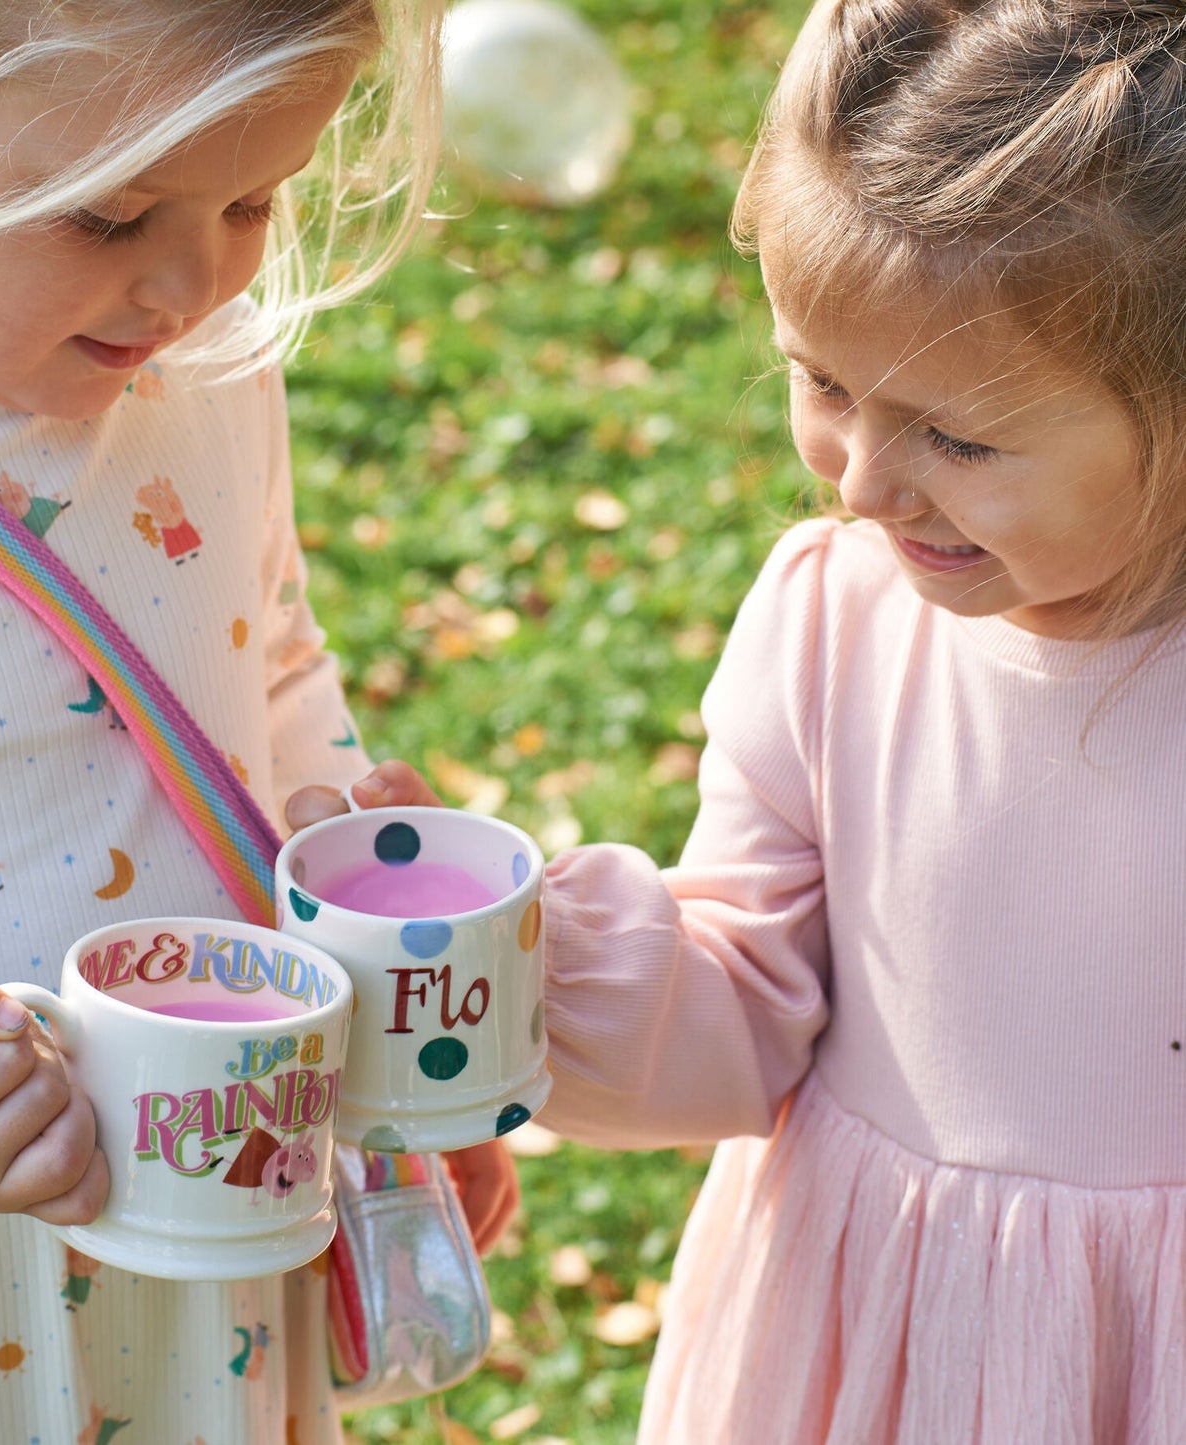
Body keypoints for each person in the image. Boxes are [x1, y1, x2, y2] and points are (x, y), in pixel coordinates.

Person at [288, 0, 1186, 1437]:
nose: (861, 483)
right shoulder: (834, 623)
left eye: (956, 436)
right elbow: (741, 1012)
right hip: (851, 1354)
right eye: (820, 382)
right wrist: (520, 961)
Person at [0, 1, 517, 1440]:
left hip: (218, 1227)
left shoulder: (209, 381)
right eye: (104, 216)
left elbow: (272, 662)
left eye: (250, 200)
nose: (188, 285)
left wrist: (349, 895)